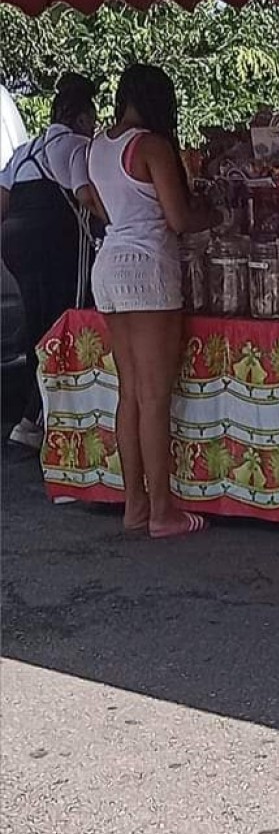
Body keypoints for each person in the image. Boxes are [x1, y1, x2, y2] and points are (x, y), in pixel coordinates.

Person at [88, 64, 205, 538]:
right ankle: (162, 512)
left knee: (131, 393)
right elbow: (178, 219)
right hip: (148, 270)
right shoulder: (152, 146)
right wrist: (215, 215)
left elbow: (99, 206)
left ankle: (134, 504)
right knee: (155, 397)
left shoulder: (98, 145)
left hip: (108, 267)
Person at [0, 72, 98, 449]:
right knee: (65, 324)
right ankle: (45, 417)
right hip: (57, 242)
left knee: (36, 327)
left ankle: (31, 418)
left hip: (17, 246)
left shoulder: (25, 151)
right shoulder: (77, 147)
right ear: (82, 118)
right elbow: (87, 196)